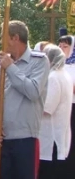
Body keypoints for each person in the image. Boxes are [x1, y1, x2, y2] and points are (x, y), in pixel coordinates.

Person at [0, 20, 50, 179]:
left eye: (2, 37)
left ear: (14, 38)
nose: (0, 41)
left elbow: (33, 92)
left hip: (25, 139)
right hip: (0, 139)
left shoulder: (39, 61)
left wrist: (11, 68)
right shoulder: (1, 65)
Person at [38, 45, 72, 179]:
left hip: (50, 136)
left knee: (48, 172)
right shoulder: (64, 75)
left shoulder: (54, 78)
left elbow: (47, 108)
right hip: (58, 132)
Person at [58, 34, 75, 174]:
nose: (62, 49)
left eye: (66, 46)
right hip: (61, 108)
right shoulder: (58, 65)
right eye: (60, 46)